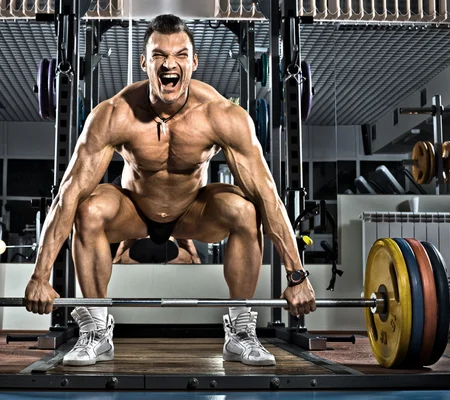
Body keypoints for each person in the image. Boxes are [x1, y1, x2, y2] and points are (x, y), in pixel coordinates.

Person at [24, 14, 316, 367]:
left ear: (193, 62)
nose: (169, 63)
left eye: (180, 54)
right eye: (159, 55)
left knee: (246, 209)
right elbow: (68, 193)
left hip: (193, 211)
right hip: (135, 209)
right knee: (88, 208)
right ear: (145, 62)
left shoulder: (222, 116)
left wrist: (296, 276)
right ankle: (97, 331)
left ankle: (240, 331)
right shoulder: (114, 114)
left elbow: (267, 194)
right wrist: (40, 276)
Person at [113, 237, 202, 264]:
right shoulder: (173, 215)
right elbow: (186, 241)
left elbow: (126, 240)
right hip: (167, 247)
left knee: (124, 260)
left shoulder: (137, 213)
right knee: (187, 260)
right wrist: (196, 262)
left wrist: (116, 261)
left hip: (141, 246)